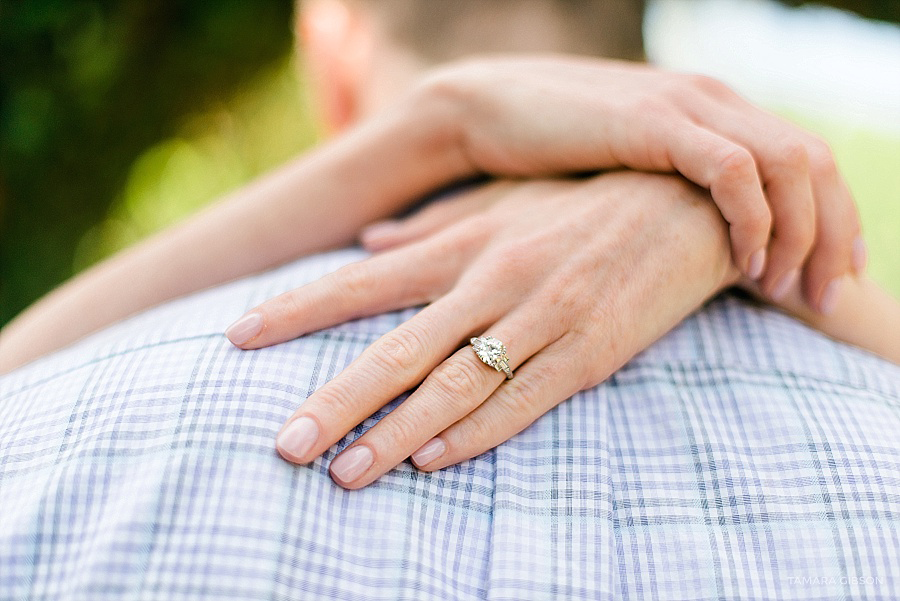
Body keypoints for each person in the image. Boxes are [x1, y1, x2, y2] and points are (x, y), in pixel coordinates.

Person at [1, 0, 898, 599]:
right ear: (640, 50)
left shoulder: (49, 422)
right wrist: (728, 212)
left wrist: (437, 130)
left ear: (330, 45)